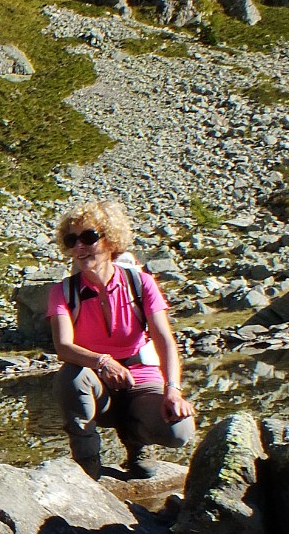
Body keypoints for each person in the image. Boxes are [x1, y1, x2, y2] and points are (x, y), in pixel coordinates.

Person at [46, 200, 194, 480]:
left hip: (142, 375)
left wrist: (173, 390)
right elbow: (63, 347)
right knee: (71, 377)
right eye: (71, 240)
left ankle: (137, 442)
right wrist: (102, 362)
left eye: (88, 237)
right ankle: (87, 463)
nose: (79, 246)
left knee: (179, 431)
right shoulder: (62, 291)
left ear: (110, 239)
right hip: (95, 377)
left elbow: (165, 341)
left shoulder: (140, 283)